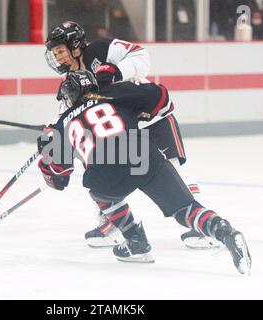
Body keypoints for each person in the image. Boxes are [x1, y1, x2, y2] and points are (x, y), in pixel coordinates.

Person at [37, 70, 252, 275]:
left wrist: (46, 147)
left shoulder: (61, 124)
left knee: (98, 192)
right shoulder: (114, 94)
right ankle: (225, 232)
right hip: (143, 152)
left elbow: (58, 180)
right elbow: (163, 100)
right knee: (185, 208)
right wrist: (136, 109)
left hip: (106, 169)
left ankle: (136, 241)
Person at [44, 20, 216, 249]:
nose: (58, 58)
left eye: (60, 51)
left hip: (153, 118)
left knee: (175, 170)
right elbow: (71, 115)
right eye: (55, 53)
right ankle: (112, 223)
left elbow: (141, 56)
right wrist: (56, 133)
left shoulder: (101, 50)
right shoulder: (69, 80)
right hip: (120, 128)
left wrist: (116, 72)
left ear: (75, 46)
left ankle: (202, 229)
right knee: (98, 167)